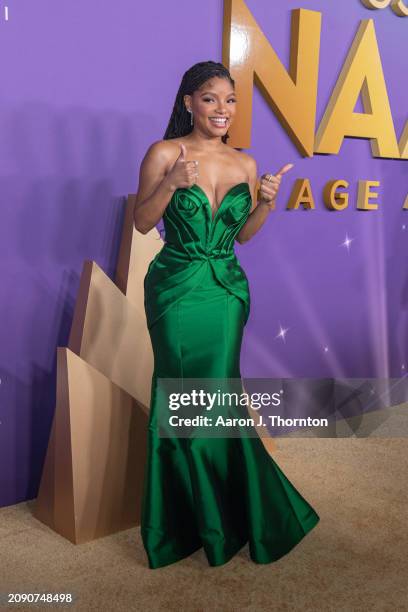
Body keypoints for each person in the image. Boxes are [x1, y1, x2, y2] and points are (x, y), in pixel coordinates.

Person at [133, 60, 319, 569]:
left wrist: (264, 203)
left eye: (231, 100)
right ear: (189, 102)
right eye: (211, 98)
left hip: (227, 293)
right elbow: (142, 223)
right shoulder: (165, 152)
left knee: (219, 398)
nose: (222, 109)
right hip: (176, 288)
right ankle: (193, 522)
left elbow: (243, 236)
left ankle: (230, 514)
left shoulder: (246, 163)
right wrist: (170, 182)